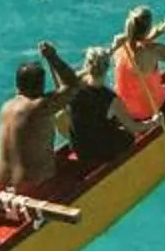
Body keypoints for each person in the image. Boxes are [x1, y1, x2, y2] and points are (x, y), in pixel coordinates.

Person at [39, 43, 133, 173]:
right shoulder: (110, 98)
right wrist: (154, 122)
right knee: (129, 136)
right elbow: (133, 126)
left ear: (87, 66)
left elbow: (61, 83)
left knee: (65, 115)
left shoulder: (74, 87)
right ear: (107, 68)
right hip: (99, 151)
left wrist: (51, 59)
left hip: (79, 148)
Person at [0, 58, 66, 197]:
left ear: (17, 85)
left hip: (0, 185)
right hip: (31, 188)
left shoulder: (6, 107)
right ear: (42, 86)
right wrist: (53, 57)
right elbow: (72, 85)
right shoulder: (39, 107)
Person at [112, 6, 165, 128]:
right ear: (148, 29)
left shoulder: (119, 47)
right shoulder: (148, 51)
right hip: (146, 111)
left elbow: (136, 45)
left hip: (124, 107)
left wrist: (152, 36)